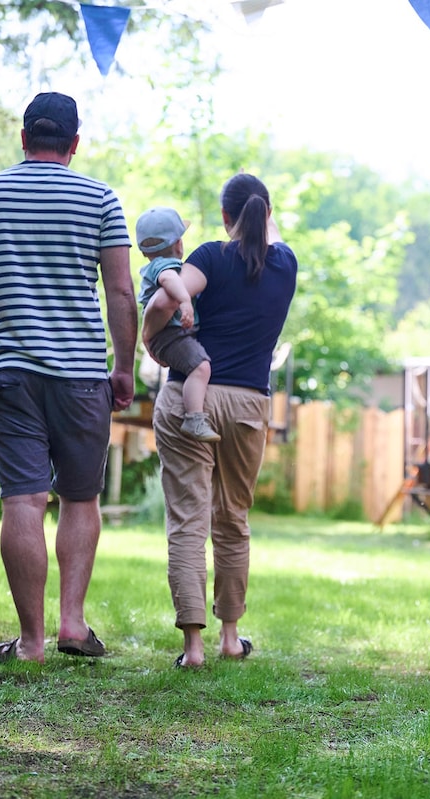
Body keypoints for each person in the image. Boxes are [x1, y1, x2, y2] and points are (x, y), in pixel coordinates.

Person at [0, 91, 137, 663]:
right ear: (74, 144)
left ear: (24, 139)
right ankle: (72, 625)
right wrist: (122, 368)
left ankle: (30, 643)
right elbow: (121, 291)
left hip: (8, 372)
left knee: (23, 503)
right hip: (81, 374)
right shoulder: (100, 198)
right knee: (80, 498)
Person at [142, 173, 297, 669]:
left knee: (188, 522)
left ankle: (193, 649)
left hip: (194, 396)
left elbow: (166, 299)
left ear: (226, 218)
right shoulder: (286, 265)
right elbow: (268, 239)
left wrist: (149, 337)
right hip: (249, 403)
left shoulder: (207, 257)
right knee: (233, 521)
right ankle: (231, 637)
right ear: (266, 213)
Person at [135, 206, 220, 442]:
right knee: (201, 367)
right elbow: (169, 280)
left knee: (198, 365)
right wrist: (185, 301)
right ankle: (194, 418)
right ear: (180, 245)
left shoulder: (152, 265)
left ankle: (194, 415)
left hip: (168, 335)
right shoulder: (165, 267)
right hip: (169, 335)